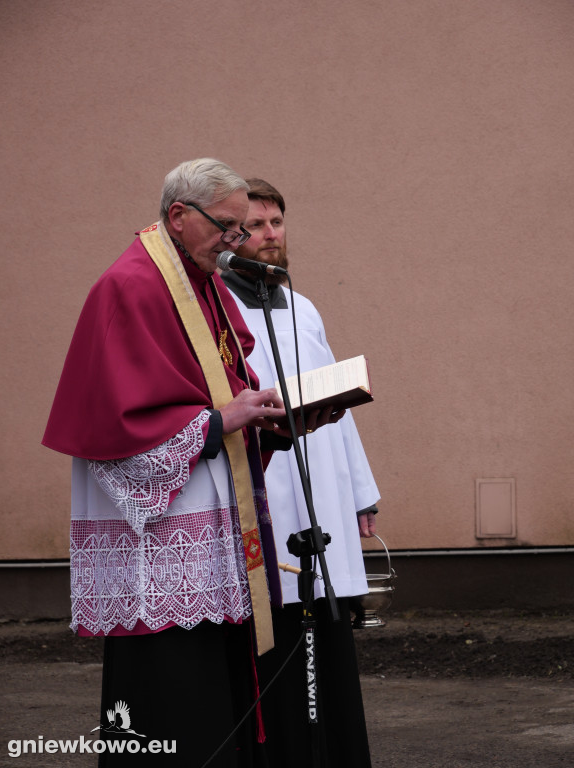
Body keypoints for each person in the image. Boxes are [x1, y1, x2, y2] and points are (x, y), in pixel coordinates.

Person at [42, 159, 340, 768]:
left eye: (241, 229)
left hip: (214, 532)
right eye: (228, 227)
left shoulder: (197, 281)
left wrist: (272, 424)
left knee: (219, 692)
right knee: (174, 704)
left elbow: (228, 394)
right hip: (164, 545)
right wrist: (218, 421)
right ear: (179, 217)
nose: (237, 241)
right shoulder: (131, 286)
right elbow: (117, 426)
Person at [221, 178, 380, 767]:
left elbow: (337, 411)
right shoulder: (219, 305)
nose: (268, 235)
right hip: (266, 483)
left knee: (328, 628)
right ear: (233, 236)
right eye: (254, 225)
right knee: (276, 628)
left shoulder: (302, 305)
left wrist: (361, 494)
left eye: (276, 223)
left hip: (322, 486)